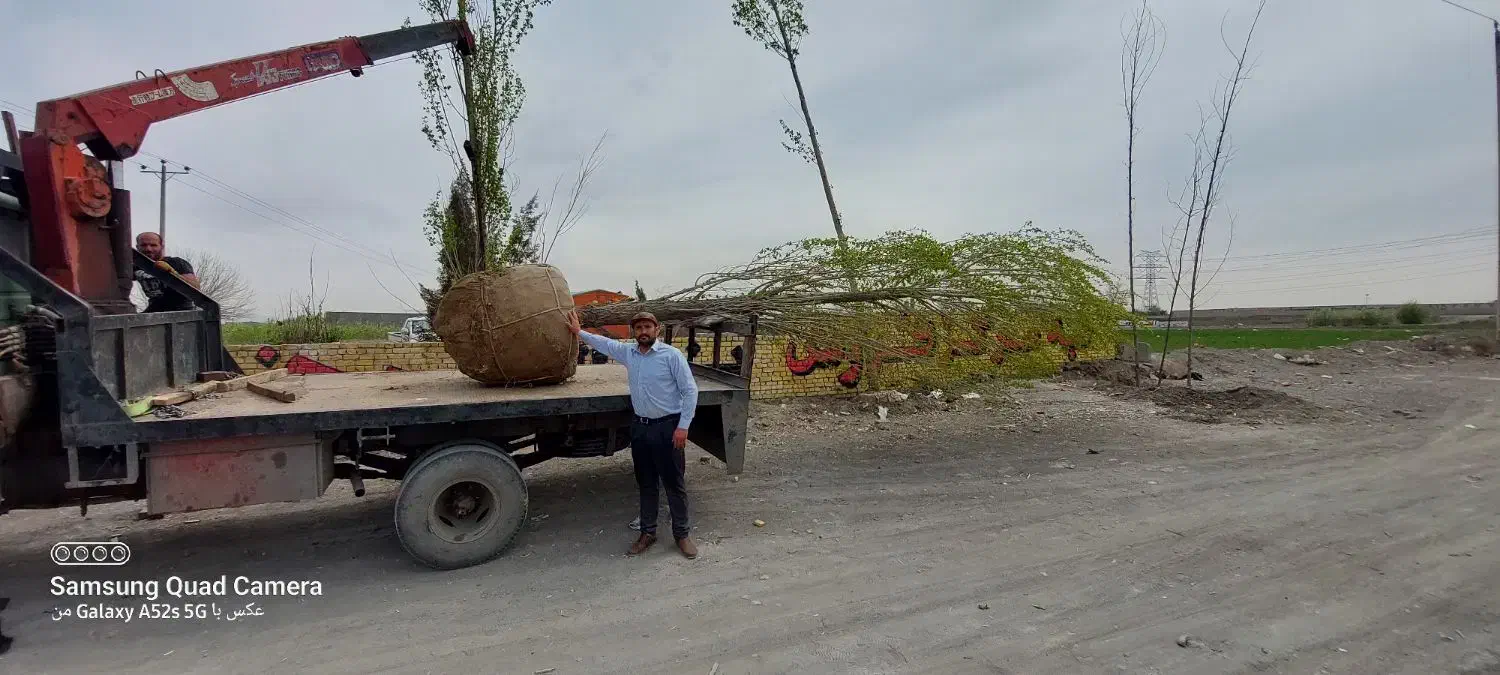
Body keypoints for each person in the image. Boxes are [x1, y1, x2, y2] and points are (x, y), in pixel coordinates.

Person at [567, 309, 700, 559]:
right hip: (640, 428)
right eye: (638, 328)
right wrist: (578, 332)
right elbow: (605, 344)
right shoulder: (630, 353)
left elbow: (690, 391)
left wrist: (683, 426)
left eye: (647, 327)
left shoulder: (671, 356)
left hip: (668, 428)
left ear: (656, 330)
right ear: (634, 332)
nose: (643, 332)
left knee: (674, 484)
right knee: (646, 482)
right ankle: (648, 532)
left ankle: (681, 535)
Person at [133, 232, 199, 313]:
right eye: (143, 245)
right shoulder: (136, 266)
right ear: (137, 247)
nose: (148, 249)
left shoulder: (177, 263)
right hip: (155, 311)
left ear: (161, 247)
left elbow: (195, 287)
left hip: (182, 312)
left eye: (153, 245)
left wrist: (172, 272)